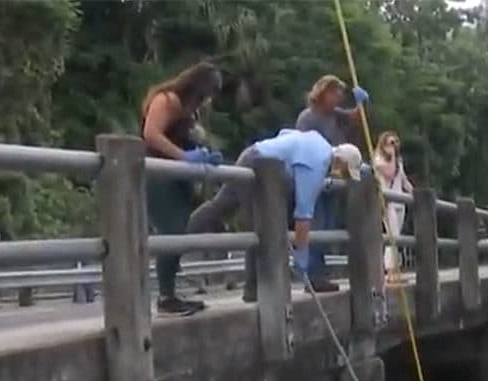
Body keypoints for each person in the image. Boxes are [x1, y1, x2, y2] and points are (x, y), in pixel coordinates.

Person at [187, 129, 363, 299]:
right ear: (340, 161)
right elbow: (303, 216)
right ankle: (253, 289)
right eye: (346, 171)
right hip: (260, 168)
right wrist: (302, 255)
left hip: (253, 153)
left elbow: (285, 134)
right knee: (260, 228)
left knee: (220, 205)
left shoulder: (319, 142)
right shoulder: (316, 166)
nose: (343, 177)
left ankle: (183, 232)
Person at [141, 61, 223, 316]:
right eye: (204, 95)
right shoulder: (167, 100)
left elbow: (186, 138)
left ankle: (171, 293)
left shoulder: (190, 112)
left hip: (179, 181)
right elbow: (151, 134)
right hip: (158, 175)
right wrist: (183, 157)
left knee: (179, 233)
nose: (205, 101)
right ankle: (165, 297)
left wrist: (203, 156)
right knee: (171, 232)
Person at [294, 75, 369, 292]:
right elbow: (304, 147)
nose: (338, 98)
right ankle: (312, 276)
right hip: (313, 177)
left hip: (332, 177)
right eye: (335, 92)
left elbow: (357, 118)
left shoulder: (335, 116)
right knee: (316, 225)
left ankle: (318, 274)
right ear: (324, 92)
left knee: (326, 225)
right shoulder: (308, 118)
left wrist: (361, 103)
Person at [373, 131, 413, 274]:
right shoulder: (379, 159)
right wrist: (392, 156)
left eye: (395, 142)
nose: (394, 145)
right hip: (388, 201)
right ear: (383, 144)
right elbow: (389, 173)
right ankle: (390, 270)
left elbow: (403, 180)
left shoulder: (398, 161)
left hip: (400, 201)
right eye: (390, 142)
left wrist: (413, 193)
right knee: (392, 235)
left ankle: (395, 269)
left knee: (398, 237)